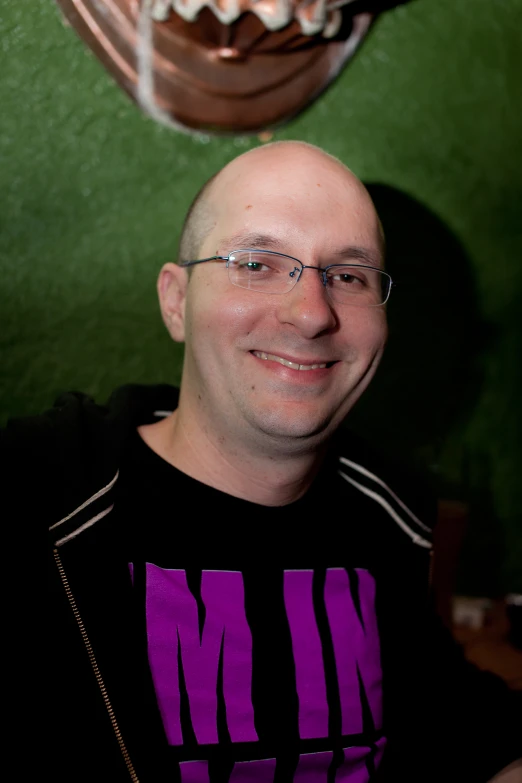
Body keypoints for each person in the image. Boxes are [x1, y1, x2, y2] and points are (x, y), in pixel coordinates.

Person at [6, 141, 520, 782]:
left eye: (349, 276)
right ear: (176, 300)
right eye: (256, 262)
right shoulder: (36, 499)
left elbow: (456, 727)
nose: (310, 314)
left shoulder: (390, 516)